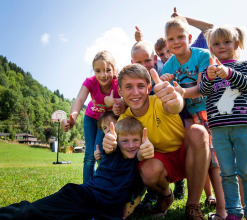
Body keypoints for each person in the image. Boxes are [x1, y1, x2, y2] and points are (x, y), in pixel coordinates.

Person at [103, 63, 210, 219]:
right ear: (120, 91)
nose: (135, 92)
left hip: (187, 154)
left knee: (198, 131)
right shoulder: (124, 119)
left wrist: (176, 100)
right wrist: (109, 147)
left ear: (148, 88)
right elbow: (122, 153)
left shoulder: (160, 101)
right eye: (128, 87)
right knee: (147, 170)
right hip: (161, 161)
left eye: (140, 86)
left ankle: (192, 205)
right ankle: (166, 196)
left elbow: (174, 106)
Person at [0, 115, 154, 220]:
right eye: (125, 141)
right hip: (82, 196)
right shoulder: (111, 152)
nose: (131, 145)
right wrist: (110, 142)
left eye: (135, 140)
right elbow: (109, 148)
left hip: (106, 211)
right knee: (31, 213)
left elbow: (141, 155)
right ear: (117, 140)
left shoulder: (137, 159)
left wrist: (147, 147)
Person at [160, 16, 226, 219]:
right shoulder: (168, 66)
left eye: (180, 36)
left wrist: (180, 92)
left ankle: (224, 207)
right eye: (171, 39)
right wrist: (165, 84)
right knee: (202, 159)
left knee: (216, 162)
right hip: (190, 116)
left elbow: (204, 89)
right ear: (166, 42)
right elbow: (172, 99)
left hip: (212, 111)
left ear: (189, 37)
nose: (176, 42)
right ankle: (208, 197)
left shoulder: (202, 55)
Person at [199, 26, 247, 220]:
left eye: (226, 42)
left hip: (243, 125)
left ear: (236, 43)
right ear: (211, 47)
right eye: (216, 44)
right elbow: (203, 90)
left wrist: (228, 73)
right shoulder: (208, 70)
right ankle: (234, 212)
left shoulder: (245, 65)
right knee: (226, 173)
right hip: (218, 129)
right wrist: (209, 77)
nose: (222, 46)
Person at [61, 50, 120, 183]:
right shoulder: (90, 82)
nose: (103, 75)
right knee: (89, 155)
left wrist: (114, 101)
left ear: (114, 69)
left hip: (105, 121)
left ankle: (101, 183)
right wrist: (73, 118)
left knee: (98, 151)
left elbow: (124, 102)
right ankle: (86, 187)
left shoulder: (117, 84)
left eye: (107, 70)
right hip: (90, 118)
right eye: (98, 70)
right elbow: (79, 100)